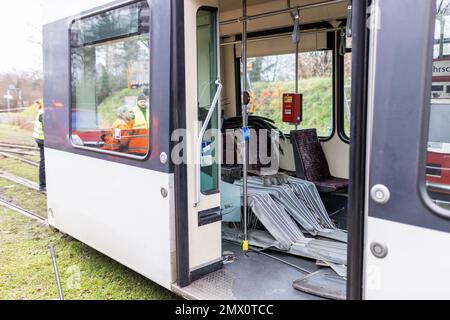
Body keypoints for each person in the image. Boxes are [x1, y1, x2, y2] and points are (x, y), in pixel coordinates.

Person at [33, 101, 46, 192]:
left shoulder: (42, 111)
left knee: (44, 160)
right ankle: (42, 185)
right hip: (42, 139)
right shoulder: (44, 113)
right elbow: (46, 127)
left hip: (40, 138)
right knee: (44, 161)